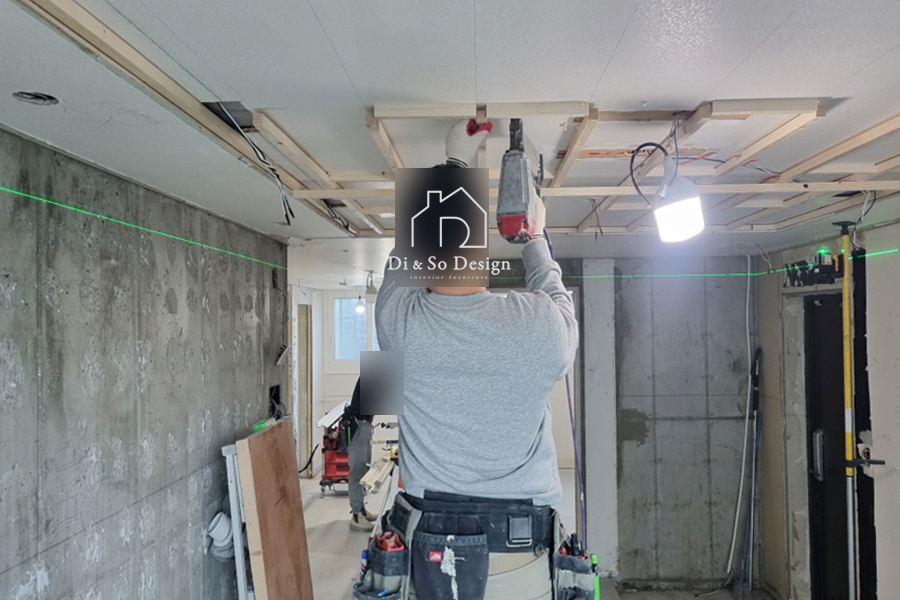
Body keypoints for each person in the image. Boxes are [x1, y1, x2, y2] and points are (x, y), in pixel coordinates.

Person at [372, 119, 579, 600]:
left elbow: (400, 260)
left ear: (424, 265)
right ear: (483, 263)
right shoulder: (534, 324)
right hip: (518, 552)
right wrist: (534, 237)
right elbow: (558, 298)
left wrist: (452, 166)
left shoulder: (399, 326)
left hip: (429, 548)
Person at [344, 377, 378, 531]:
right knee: (357, 472)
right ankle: (357, 515)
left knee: (364, 469)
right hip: (358, 426)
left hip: (364, 425)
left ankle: (362, 510)